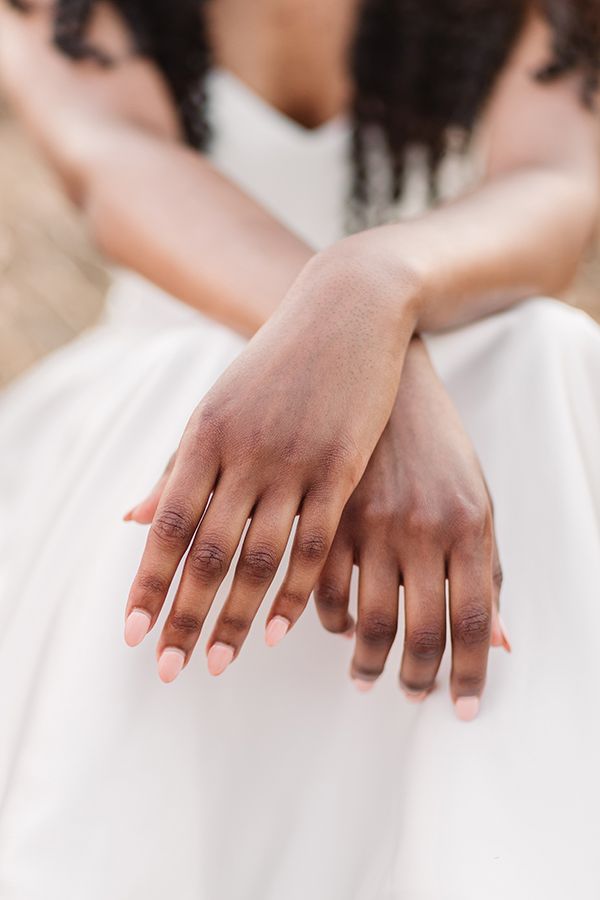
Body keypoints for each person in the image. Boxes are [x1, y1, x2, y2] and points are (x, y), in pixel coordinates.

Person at [0, 1, 599, 897]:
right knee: (202, 377)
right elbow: (118, 165)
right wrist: (360, 364)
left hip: (467, 353)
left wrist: (374, 285)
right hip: (172, 378)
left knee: (540, 350)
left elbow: (558, 179)